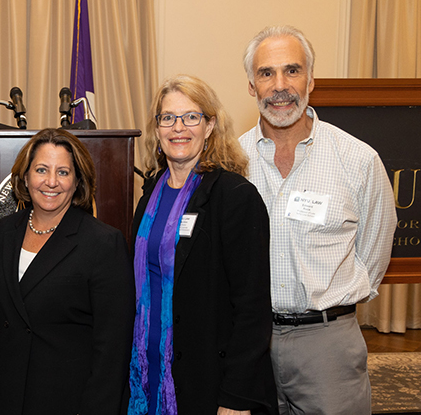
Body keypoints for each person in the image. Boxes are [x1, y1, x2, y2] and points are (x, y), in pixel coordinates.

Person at [238, 26, 396, 415]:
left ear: (311, 80)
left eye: (292, 71)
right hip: (250, 343)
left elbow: (373, 252)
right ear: (251, 86)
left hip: (328, 345)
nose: (279, 86)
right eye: (266, 73)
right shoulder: (232, 161)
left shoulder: (358, 160)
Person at [128, 75, 277, 415]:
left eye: (191, 117)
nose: (178, 128)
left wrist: (236, 397)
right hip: (148, 369)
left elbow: (252, 309)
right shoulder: (150, 193)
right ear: (157, 128)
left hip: (208, 378)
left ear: (210, 125)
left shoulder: (235, 197)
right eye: (168, 118)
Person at [0, 128, 135, 415]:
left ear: (77, 182)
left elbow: (113, 346)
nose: (51, 182)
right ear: (25, 177)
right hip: (8, 392)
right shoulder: (5, 232)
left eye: (63, 172)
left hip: (69, 399)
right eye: (41, 170)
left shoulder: (102, 242)